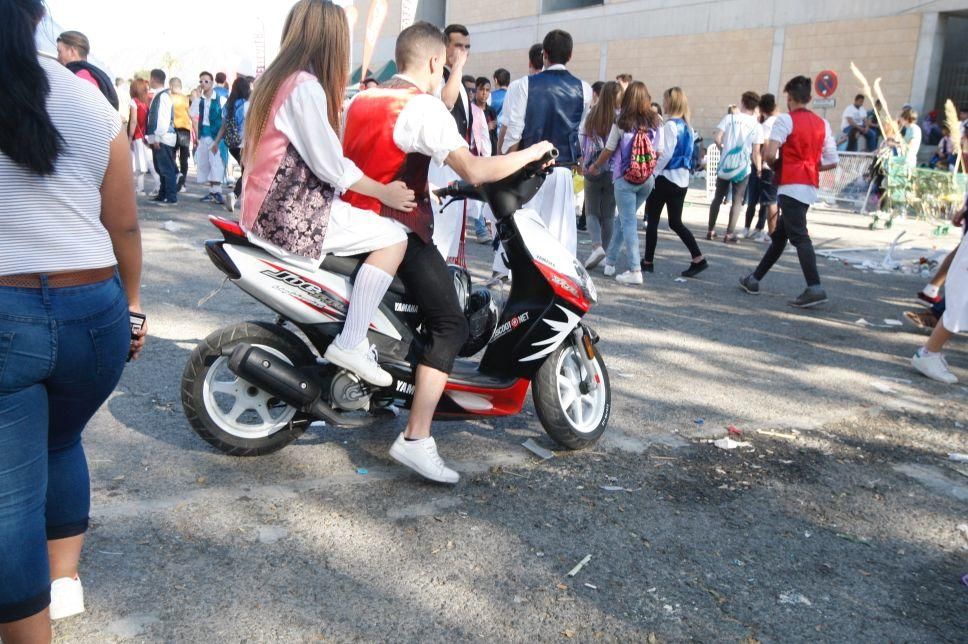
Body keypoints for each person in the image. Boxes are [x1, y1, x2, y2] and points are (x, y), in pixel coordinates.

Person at [342, 20, 554, 483]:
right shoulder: (420, 108)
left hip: (350, 224)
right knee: (450, 322)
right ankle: (416, 437)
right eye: (445, 65)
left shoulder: (363, 98)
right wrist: (531, 150)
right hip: (394, 229)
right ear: (436, 61)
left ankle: (386, 393)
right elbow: (476, 169)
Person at [0, 1, 146, 638]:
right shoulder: (91, 103)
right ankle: (63, 586)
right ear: (37, 21)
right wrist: (135, 306)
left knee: (9, 495)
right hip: (96, 313)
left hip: (6, 316)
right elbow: (124, 225)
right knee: (61, 442)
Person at [241, 0, 417, 388]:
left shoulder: (276, 80)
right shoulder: (305, 87)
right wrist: (384, 192)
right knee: (393, 237)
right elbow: (330, 166)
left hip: (263, 208)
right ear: (331, 40)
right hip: (289, 215)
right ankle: (352, 341)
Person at [740, 75, 838, 308]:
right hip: (808, 184)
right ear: (810, 98)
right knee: (780, 237)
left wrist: (777, 166)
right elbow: (832, 160)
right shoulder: (823, 124)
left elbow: (769, 155)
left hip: (790, 183)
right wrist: (811, 166)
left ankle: (815, 287)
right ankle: (754, 279)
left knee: (800, 237)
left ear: (790, 98)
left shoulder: (785, 120)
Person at [502, 29, 592, 257]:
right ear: (570, 55)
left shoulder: (525, 85)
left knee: (525, 239)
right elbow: (579, 132)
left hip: (528, 171)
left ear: (544, 54)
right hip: (562, 172)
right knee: (559, 242)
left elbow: (515, 132)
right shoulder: (584, 89)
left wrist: (507, 168)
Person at [589, 81, 660, 286]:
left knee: (628, 222)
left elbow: (609, 149)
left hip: (625, 179)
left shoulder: (621, 121)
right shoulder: (656, 121)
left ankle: (635, 269)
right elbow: (660, 151)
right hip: (647, 180)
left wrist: (595, 166)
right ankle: (610, 263)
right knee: (624, 219)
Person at [641, 87, 707, 277]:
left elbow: (666, 153)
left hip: (666, 177)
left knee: (652, 219)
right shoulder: (687, 126)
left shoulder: (670, 126)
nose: (664, 102)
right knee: (675, 222)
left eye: (665, 99)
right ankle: (698, 257)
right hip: (682, 179)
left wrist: (653, 171)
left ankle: (648, 261)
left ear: (671, 102)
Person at [429, 23, 474, 262]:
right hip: (436, 165)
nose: (463, 51)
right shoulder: (437, 76)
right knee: (438, 230)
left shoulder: (458, 82)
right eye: (458, 45)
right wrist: (456, 67)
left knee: (449, 232)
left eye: (467, 47)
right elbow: (446, 102)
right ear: (445, 45)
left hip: (455, 166)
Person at [707, 91, 763, 242]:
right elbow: (756, 152)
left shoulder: (729, 118)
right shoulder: (756, 126)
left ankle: (711, 230)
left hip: (725, 164)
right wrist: (759, 168)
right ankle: (729, 233)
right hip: (743, 168)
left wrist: (723, 149)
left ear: (742, 103)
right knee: (737, 200)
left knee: (718, 197)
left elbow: (717, 138)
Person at [580, 80, 622, 269]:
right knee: (608, 214)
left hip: (592, 168)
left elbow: (581, 139)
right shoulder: (620, 117)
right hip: (613, 170)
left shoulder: (591, 115)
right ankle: (603, 252)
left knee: (591, 211)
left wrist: (582, 162)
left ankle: (597, 247)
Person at [743, 93, 779, 241]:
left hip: (765, 166)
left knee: (763, 201)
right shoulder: (778, 121)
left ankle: (768, 233)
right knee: (768, 201)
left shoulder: (765, 125)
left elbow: (763, 147)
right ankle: (762, 229)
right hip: (774, 166)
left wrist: (760, 164)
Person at [212, 76, 251, 213]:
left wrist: (216, 143)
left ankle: (242, 198)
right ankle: (234, 195)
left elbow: (223, 127)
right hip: (246, 144)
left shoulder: (228, 106)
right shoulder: (249, 105)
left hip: (232, 145)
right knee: (248, 172)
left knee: (245, 171)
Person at [497, 43, 543, 155]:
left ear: (529, 63)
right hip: (548, 156)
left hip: (520, 155)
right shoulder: (555, 88)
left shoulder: (516, 85)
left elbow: (506, 126)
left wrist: (499, 156)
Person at [55, 30, 119, 109]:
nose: (57, 58)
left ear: (72, 51)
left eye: (59, 52)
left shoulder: (79, 77)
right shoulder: (96, 74)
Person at [190, 71, 227, 205]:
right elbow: (192, 114)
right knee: (206, 163)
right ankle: (212, 191)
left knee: (216, 162)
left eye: (206, 81)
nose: (203, 84)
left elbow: (225, 119)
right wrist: (197, 98)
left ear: (212, 83)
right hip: (204, 134)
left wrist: (219, 139)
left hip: (215, 135)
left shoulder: (220, 99)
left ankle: (217, 191)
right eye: (201, 81)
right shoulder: (199, 100)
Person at [145, 68, 179, 205]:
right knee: (161, 168)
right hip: (160, 138)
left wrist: (157, 138)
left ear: (153, 79)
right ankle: (163, 194)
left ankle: (171, 198)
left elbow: (162, 119)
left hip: (163, 138)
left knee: (166, 169)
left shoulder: (163, 96)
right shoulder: (160, 95)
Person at [128, 78, 159, 196]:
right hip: (146, 136)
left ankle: (140, 188)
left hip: (137, 136)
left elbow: (133, 121)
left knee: (139, 164)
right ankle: (158, 185)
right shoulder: (147, 102)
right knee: (149, 162)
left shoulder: (134, 102)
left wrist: (130, 137)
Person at [169, 77, 192, 193]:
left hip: (173, 129)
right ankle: (182, 182)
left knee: (170, 155)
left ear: (171, 86)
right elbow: (190, 114)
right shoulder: (185, 99)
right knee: (184, 158)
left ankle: (177, 176)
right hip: (185, 130)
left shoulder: (168, 97)